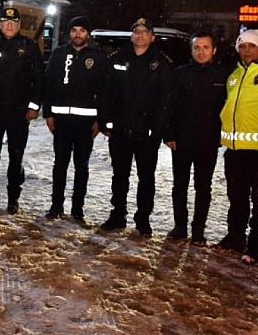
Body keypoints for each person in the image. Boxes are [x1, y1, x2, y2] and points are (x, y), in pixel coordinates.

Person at [100, 18, 173, 237]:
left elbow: (166, 101)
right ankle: (117, 215)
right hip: (120, 130)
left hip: (146, 133)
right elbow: (106, 94)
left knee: (146, 178)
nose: (140, 35)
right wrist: (105, 121)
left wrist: (157, 130)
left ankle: (143, 219)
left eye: (145, 32)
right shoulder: (117, 59)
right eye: (136, 31)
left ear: (152, 37)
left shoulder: (161, 63)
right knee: (119, 176)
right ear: (131, 35)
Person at [0, 7, 44, 214]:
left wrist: (33, 107)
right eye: (6, 22)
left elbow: (39, 80)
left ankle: (13, 198)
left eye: (13, 22)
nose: (9, 25)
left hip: (19, 113)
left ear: (19, 25)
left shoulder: (29, 47)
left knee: (16, 157)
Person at [162, 31, 229, 245]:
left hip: (208, 142)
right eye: (197, 47)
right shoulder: (180, 74)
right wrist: (169, 134)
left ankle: (198, 229)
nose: (201, 52)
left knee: (204, 187)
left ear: (214, 50)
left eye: (205, 47)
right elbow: (169, 106)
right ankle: (180, 226)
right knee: (179, 185)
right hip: (181, 140)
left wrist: (222, 136)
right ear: (191, 50)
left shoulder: (223, 76)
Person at [42, 16, 109, 221]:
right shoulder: (58, 54)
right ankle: (56, 205)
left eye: (81, 30)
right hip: (61, 121)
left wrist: (101, 120)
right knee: (59, 165)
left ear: (87, 33)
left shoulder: (98, 57)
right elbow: (49, 84)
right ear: (69, 33)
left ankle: (77, 207)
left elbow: (106, 91)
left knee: (82, 167)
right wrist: (49, 113)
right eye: (74, 30)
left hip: (86, 124)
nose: (77, 34)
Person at [216, 29, 258, 263]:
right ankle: (235, 238)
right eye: (242, 46)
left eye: (251, 46)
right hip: (234, 150)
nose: (246, 50)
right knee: (237, 198)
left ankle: (255, 246)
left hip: (256, 152)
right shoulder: (233, 75)